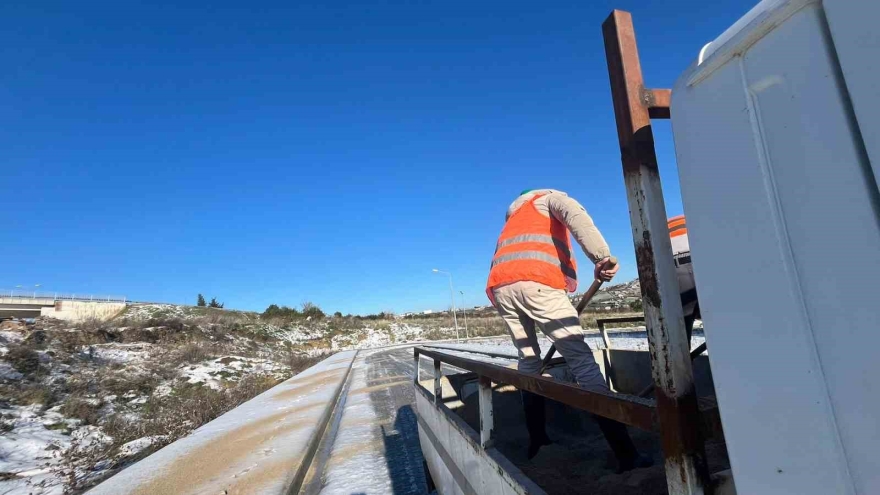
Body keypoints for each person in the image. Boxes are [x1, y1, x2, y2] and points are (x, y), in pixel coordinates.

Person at [486, 188, 651, 471]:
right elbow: (575, 216)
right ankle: (626, 455)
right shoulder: (547, 198)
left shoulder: (514, 218)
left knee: (528, 361)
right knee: (582, 361)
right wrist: (601, 257)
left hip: (501, 288)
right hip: (538, 282)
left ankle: (538, 441)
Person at [668, 215, 700, 342]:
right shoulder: (694, 218)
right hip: (699, 263)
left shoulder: (662, 225)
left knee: (680, 342)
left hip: (676, 269)